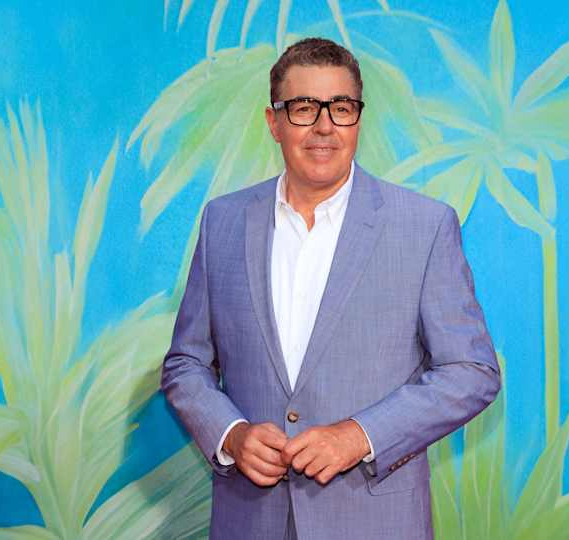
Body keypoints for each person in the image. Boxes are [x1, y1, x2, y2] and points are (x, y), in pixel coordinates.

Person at [160, 37, 500, 540]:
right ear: (273, 122)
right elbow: (186, 362)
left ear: (358, 119)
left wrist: (360, 436)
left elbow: (471, 372)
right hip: (248, 521)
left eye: (341, 108)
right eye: (304, 108)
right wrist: (231, 435)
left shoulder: (424, 226)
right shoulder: (222, 222)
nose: (324, 126)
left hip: (375, 524)